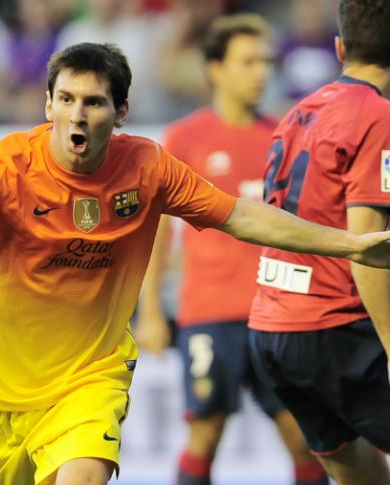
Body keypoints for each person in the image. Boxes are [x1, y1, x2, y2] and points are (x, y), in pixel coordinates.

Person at [0, 42, 390, 485]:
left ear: (120, 112)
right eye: (66, 99)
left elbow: (241, 216)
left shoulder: (149, 167)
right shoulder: (5, 168)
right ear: (48, 105)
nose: (78, 114)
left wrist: (350, 244)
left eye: (94, 102)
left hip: (90, 378)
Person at [247, 2, 390, 484]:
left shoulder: (299, 112)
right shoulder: (379, 117)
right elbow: (367, 246)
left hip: (272, 327)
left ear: (339, 48)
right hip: (331, 327)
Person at [136, 14, 327, 485]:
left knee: (303, 438)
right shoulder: (184, 139)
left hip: (279, 315)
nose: (261, 72)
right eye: (248, 61)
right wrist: (151, 312)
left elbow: (306, 227)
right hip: (209, 313)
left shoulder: (285, 138)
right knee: (205, 433)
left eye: (265, 61)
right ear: (215, 69)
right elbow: (156, 230)